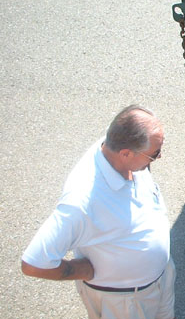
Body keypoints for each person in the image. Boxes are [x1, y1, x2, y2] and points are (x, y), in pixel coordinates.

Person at [21, 105, 175, 319]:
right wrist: (81, 270)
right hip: (125, 302)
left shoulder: (117, 147)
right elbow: (34, 264)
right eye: (154, 154)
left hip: (160, 279)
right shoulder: (82, 202)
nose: (159, 158)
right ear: (126, 153)